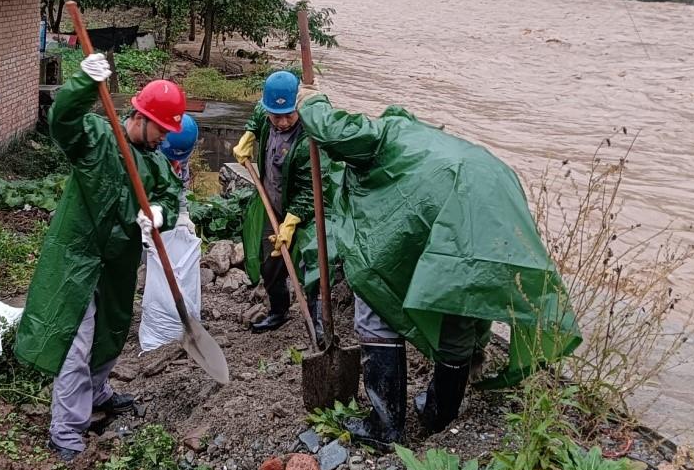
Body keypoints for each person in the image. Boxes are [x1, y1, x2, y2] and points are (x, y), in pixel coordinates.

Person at [296, 93, 581, 448]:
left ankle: (386, 426)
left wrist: (312, 102)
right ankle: (439, 415)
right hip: (493, 191)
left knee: (374, 298)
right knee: (459, 300)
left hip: (454, 199)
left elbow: (334, 130)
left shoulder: (381, 135)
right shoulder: (424, 137)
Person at [13, 55, 184, 461]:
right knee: (76, 340)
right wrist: (82, 85)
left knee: (110, 332)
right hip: (76, 259)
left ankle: (97, 392)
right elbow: (62, 122)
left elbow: (170, 195)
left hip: (117, 264)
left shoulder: (156, 165)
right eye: (162, 129)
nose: (164, 139)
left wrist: (160, 213)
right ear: (141, 117)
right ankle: (67, 430)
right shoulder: (97, 137)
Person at [232, 70, 326, 343]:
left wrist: (292, 221)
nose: (283, 122)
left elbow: (310, 190)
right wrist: (249, 133)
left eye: (289, 115)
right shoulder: (266, 113)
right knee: (270, 262)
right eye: (276, 116)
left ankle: (319, 326)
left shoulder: (308, 139)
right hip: (272, 204)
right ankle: (279, 311)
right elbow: (257, 113)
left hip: (306, 213)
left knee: (313, 266)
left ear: (298, 106)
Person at [160, 114, 199, 234]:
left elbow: (181, 184)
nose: (176, 164)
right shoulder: (146, 155)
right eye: (171, 160)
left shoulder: (182, 151)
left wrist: (183, 213)